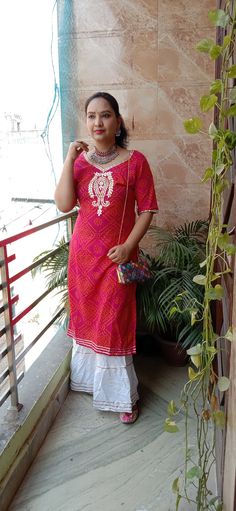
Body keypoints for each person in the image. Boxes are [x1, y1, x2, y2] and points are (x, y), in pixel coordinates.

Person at [54, 92, 158, 424]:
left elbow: (148, 210)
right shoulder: (81, 163)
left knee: (114, 324)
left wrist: (129, 246)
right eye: (92, 116)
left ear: (117, 122)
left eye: (106, 115)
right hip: (83, 260)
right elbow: (63, 204)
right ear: (86, 121)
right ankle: (89, 382)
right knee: (87, 319)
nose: (98, 122)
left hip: (117, 261)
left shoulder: (135, 161)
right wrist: (70, 159)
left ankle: (121, 398)